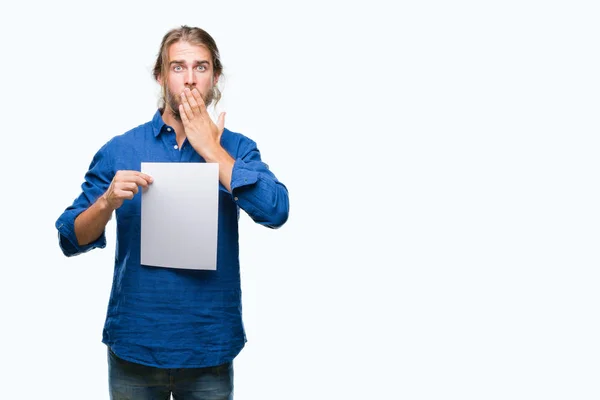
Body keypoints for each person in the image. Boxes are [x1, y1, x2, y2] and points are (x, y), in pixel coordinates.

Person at [55, 25, 289, 400]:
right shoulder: (121, 148)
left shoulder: (237, 148)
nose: (190, 79)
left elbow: (276, 210)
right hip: (136, 341)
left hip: (208, 345)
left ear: (215, 76)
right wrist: (106, 202)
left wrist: (212, 149)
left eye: (201, 67)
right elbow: (70, 238)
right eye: (178, 67)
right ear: (161, 76)